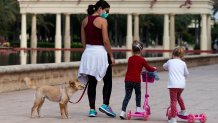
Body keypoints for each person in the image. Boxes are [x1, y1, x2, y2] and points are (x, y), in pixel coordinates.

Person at [78, 0, 116, 118]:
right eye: (106, 11)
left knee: (92, 83)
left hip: (88, 53)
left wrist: (88, 52)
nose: (107, 13)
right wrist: (111, 55)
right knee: (108, 80)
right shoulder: (102, 21)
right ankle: (105, 104)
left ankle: (92, 109)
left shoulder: (84, 21)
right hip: (100, 53)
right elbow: (105, 40)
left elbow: (83, 41)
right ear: (100, 9)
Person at [119, 40, 157, 119]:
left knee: (127, 96)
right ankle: (138, 108)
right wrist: (154, 69)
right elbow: (148, 68)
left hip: (128, 80)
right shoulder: (142, 60)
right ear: (141, 50)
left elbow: (133, 67)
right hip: (136, 80)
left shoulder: (130, 59)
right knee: (138, 94)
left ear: (132, 50)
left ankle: (122, 112)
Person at [163, 46, 189, 123]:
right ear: (181, 55)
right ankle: (183, 111)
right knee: (179, 97)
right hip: (181, 85)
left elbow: (164, 67)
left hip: (173, 85)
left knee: (173, 101)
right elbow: (187, 74)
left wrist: (168, 69)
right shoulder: (183, 63)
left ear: (173, 54)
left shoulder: (170, 61)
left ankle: (173, 119)